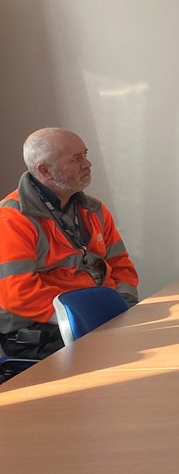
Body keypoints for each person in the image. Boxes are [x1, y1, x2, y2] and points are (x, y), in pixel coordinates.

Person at [0, 128, 139, 359]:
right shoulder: (11, 218)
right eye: (77, 159)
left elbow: (122, 266)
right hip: (42, 329)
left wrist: (125, 307)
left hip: (98, 319)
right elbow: (18, 294)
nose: (88, 163)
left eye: (84, 154)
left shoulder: (94, 209)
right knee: (125, 357)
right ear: (46, 171)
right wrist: (87, 316)